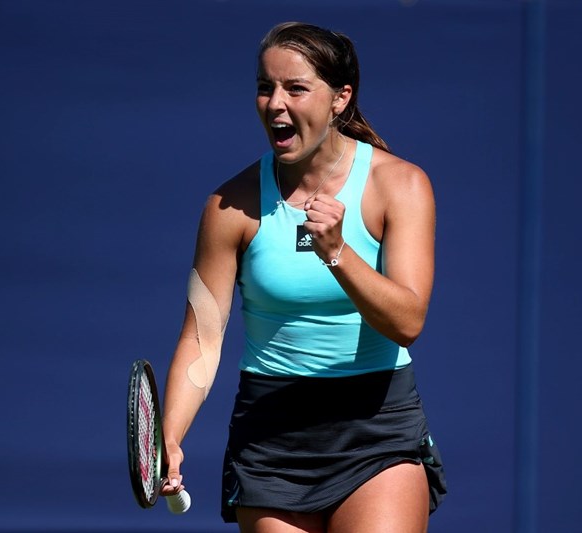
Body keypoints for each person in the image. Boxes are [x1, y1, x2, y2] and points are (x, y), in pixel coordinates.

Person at [160, 21, 446, 533]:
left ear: (340, 98)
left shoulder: (400, 185)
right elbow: (202, 337)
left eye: (296, 88)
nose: (275, 103)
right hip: (271, 438)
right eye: (265, 87)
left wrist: (337, 253)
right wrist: (171, 435)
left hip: (377, 432)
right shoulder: (230, 207)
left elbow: (408, 322)